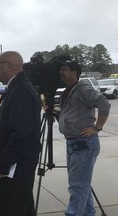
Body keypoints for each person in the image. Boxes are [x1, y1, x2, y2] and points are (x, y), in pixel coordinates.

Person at [0, 51, 41, 216]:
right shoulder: (16, 87)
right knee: (21, 207)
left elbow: (21, 133)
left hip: (15, 168)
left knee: (12, 209)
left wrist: (2, 164)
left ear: (9, 67)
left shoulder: (21, 90)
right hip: (13, 166)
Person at [58, 60, 111, 216]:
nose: (61, 72)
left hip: (84, 144)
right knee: (81, 185)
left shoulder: (82, 88)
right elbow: (72, 114)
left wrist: (97, 127)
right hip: (74, 143)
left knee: (77, 186)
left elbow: (104, 104)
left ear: (75, 72)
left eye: (64, 69)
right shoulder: (68, 90)